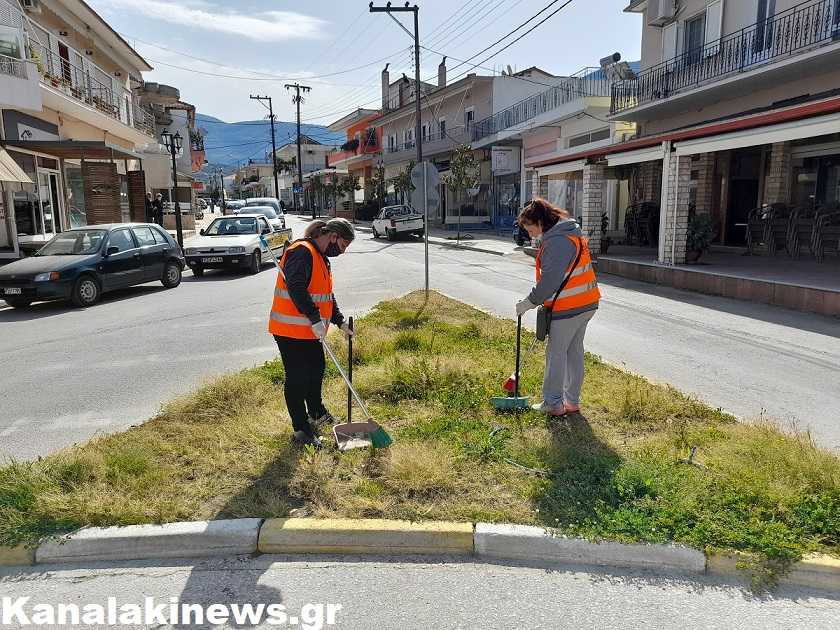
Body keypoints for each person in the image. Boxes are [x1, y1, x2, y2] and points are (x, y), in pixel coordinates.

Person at [269, 218, 355, 447]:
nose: (342, 251)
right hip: (290, 329)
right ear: (332, 236)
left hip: (309, 330)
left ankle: (316, 411)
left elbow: (326, 294)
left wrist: (339, 321)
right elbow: (296, 288)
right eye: (343, 245)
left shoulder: (321, 258)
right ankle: (301, 429)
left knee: (317, 370)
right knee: (297, 378)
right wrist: (315, 319)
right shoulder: (301, 252)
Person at [515, 198, 600, 417]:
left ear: (540, 222)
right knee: (574, 352)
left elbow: (550, 280)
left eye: (530, 229)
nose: (530, 235)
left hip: (569, 306)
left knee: (556, 354)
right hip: (587, 301)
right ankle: (571, 401)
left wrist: (529, 302)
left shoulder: (557, 241)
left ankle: (553, 403)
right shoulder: (571, 233)